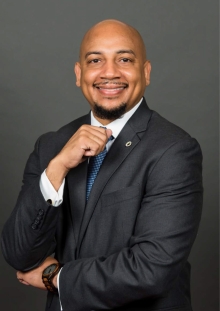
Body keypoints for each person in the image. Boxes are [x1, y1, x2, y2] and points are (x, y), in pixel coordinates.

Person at [1, 19, 203, 311]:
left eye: (124, 59)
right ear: (79, 73)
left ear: (145, 73)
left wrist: (55, 277)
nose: (110, 73)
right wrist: (57, 168)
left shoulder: (174, 150)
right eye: (96, 60)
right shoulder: (51, 146)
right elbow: (19, 255)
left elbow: (151, 269)